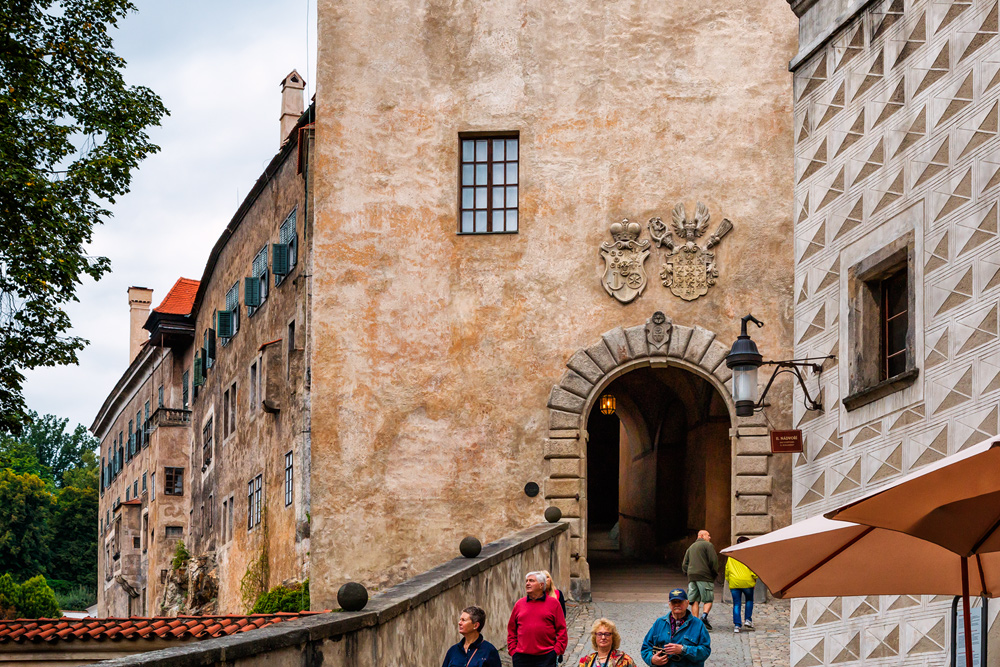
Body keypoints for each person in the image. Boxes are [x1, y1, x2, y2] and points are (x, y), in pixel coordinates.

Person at [507, 571, 568, 667]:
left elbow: (562, 630)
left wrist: (556, 651)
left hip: (546, 657)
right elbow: (511, 629)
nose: (527, 583)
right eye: (526, 581)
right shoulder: (519, 604)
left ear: (541, 585)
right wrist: (513, 651)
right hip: (521, 658)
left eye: (531, 581)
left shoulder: (554, 604)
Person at [640, 588, 711, 667]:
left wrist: (683, 649)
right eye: (674, 602)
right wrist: (652, 659)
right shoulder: (659, 622)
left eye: (680, 602)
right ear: (669, 604)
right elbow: (646, 647)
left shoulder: (698, 624)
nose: (677, 605)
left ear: (687, 603)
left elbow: (705, 651)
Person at [681, 529, 718, 630]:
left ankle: (695, 623)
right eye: (708, 535)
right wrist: (714, 574)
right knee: (708, 599)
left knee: (694, 600)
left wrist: (688, 573)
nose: (710, 537)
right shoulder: (708, 546)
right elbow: (713, 561)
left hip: (692, 577)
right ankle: (704, 617)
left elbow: (684, 564)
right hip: (705, 576)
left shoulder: (691, 547)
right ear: (701, 536)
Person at [725, 536, 758, 633]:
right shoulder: (749, 554)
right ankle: (748, 620)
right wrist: (755, 578)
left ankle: (737, 625)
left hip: (735, 582)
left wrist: (729, 580)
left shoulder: (731, 555)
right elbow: (753, 569)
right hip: (747, 581)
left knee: (737, 603)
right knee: (749, 600)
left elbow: (727, 570)